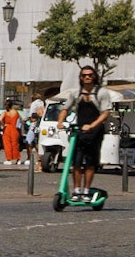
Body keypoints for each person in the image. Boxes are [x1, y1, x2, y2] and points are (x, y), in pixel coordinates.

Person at [57, 65, 114, 199]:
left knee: (90, 162)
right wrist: (60, 121)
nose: (87, 77)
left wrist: (92, 126)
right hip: (79, 131)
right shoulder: (76, 93)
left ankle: (86, 191)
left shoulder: (101, 93)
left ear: (94, 76)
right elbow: (65, 108)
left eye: (90, 75)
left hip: (95, 132)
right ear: (80, 78)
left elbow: (105, 113)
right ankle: (77, 191)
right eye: (84, 75)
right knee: (76, 162)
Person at [0, 100, 22, 164]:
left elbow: (0, 119)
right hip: (14, 128)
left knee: (7, 144)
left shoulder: (5, 112)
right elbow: (21, 119)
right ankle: (17, 159)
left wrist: (3, 124)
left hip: (7, 128)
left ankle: (8, 159)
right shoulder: (16, 112)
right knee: (15, 144)